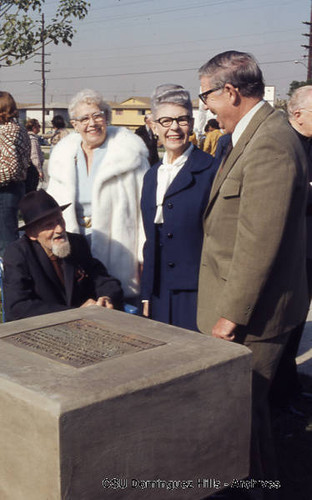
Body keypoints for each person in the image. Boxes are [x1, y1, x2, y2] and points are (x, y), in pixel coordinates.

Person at [197, 51, 309, 497]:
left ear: (230, 91)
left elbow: (259, 243)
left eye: (206, 96)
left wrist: (230, 316)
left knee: (240, 410)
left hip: (253, 315)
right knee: (247, 414)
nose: (204, 106)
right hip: (246, 308)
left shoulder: (270, 142)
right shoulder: (255, 133)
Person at [47, 89, 149, 304]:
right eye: (84, 118)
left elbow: (144, 210)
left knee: (116, 305)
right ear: (74, 125)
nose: (92, 123)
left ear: (106, 117)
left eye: (97, 115)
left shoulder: (129, 154)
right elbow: (52, 206)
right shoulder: (62, 158)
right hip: (74, 242)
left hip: (119, 245)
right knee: (78, 303)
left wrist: (142, 256)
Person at [141, 84, 218, 331]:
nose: (174, 128)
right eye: (165, 121)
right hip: (159, 292)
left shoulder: (211, 170)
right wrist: (146, 292)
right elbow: (150, 240)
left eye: (182, 120)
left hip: (198, 291)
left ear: (192, 123)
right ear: (153, 126)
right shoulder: (151, 175)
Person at [3, 190, 123, 322]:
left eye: (60, 220)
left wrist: (106, 298)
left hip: (88, 326)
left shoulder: (77, 243)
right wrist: (75, 313)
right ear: (32, 233)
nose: (60, 229)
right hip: (44, 331)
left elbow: (102, 279)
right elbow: (17, 307)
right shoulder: (17, 254)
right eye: (49, 225)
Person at [270, 85, 312, 410]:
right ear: (297, 114)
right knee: (284, 321)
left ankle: (288, 387)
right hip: (288, 249)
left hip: (308, 250)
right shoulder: (282, 145)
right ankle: (278, 389)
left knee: (298, 320)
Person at [0, 91, 30, 257]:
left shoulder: (5, 131)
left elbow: (9, 167)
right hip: (16, 187)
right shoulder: (19, 128)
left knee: (5, 242)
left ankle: (10, 278)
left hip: (5, 190)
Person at [25, 118, 45, 192]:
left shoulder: (25, 137)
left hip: (27, 168)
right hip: (33, 169)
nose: (40, 128)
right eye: (39, 126)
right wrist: (39, 170)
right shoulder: (33, 140)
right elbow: (34, 156)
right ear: (34, 128)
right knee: (32, 191)